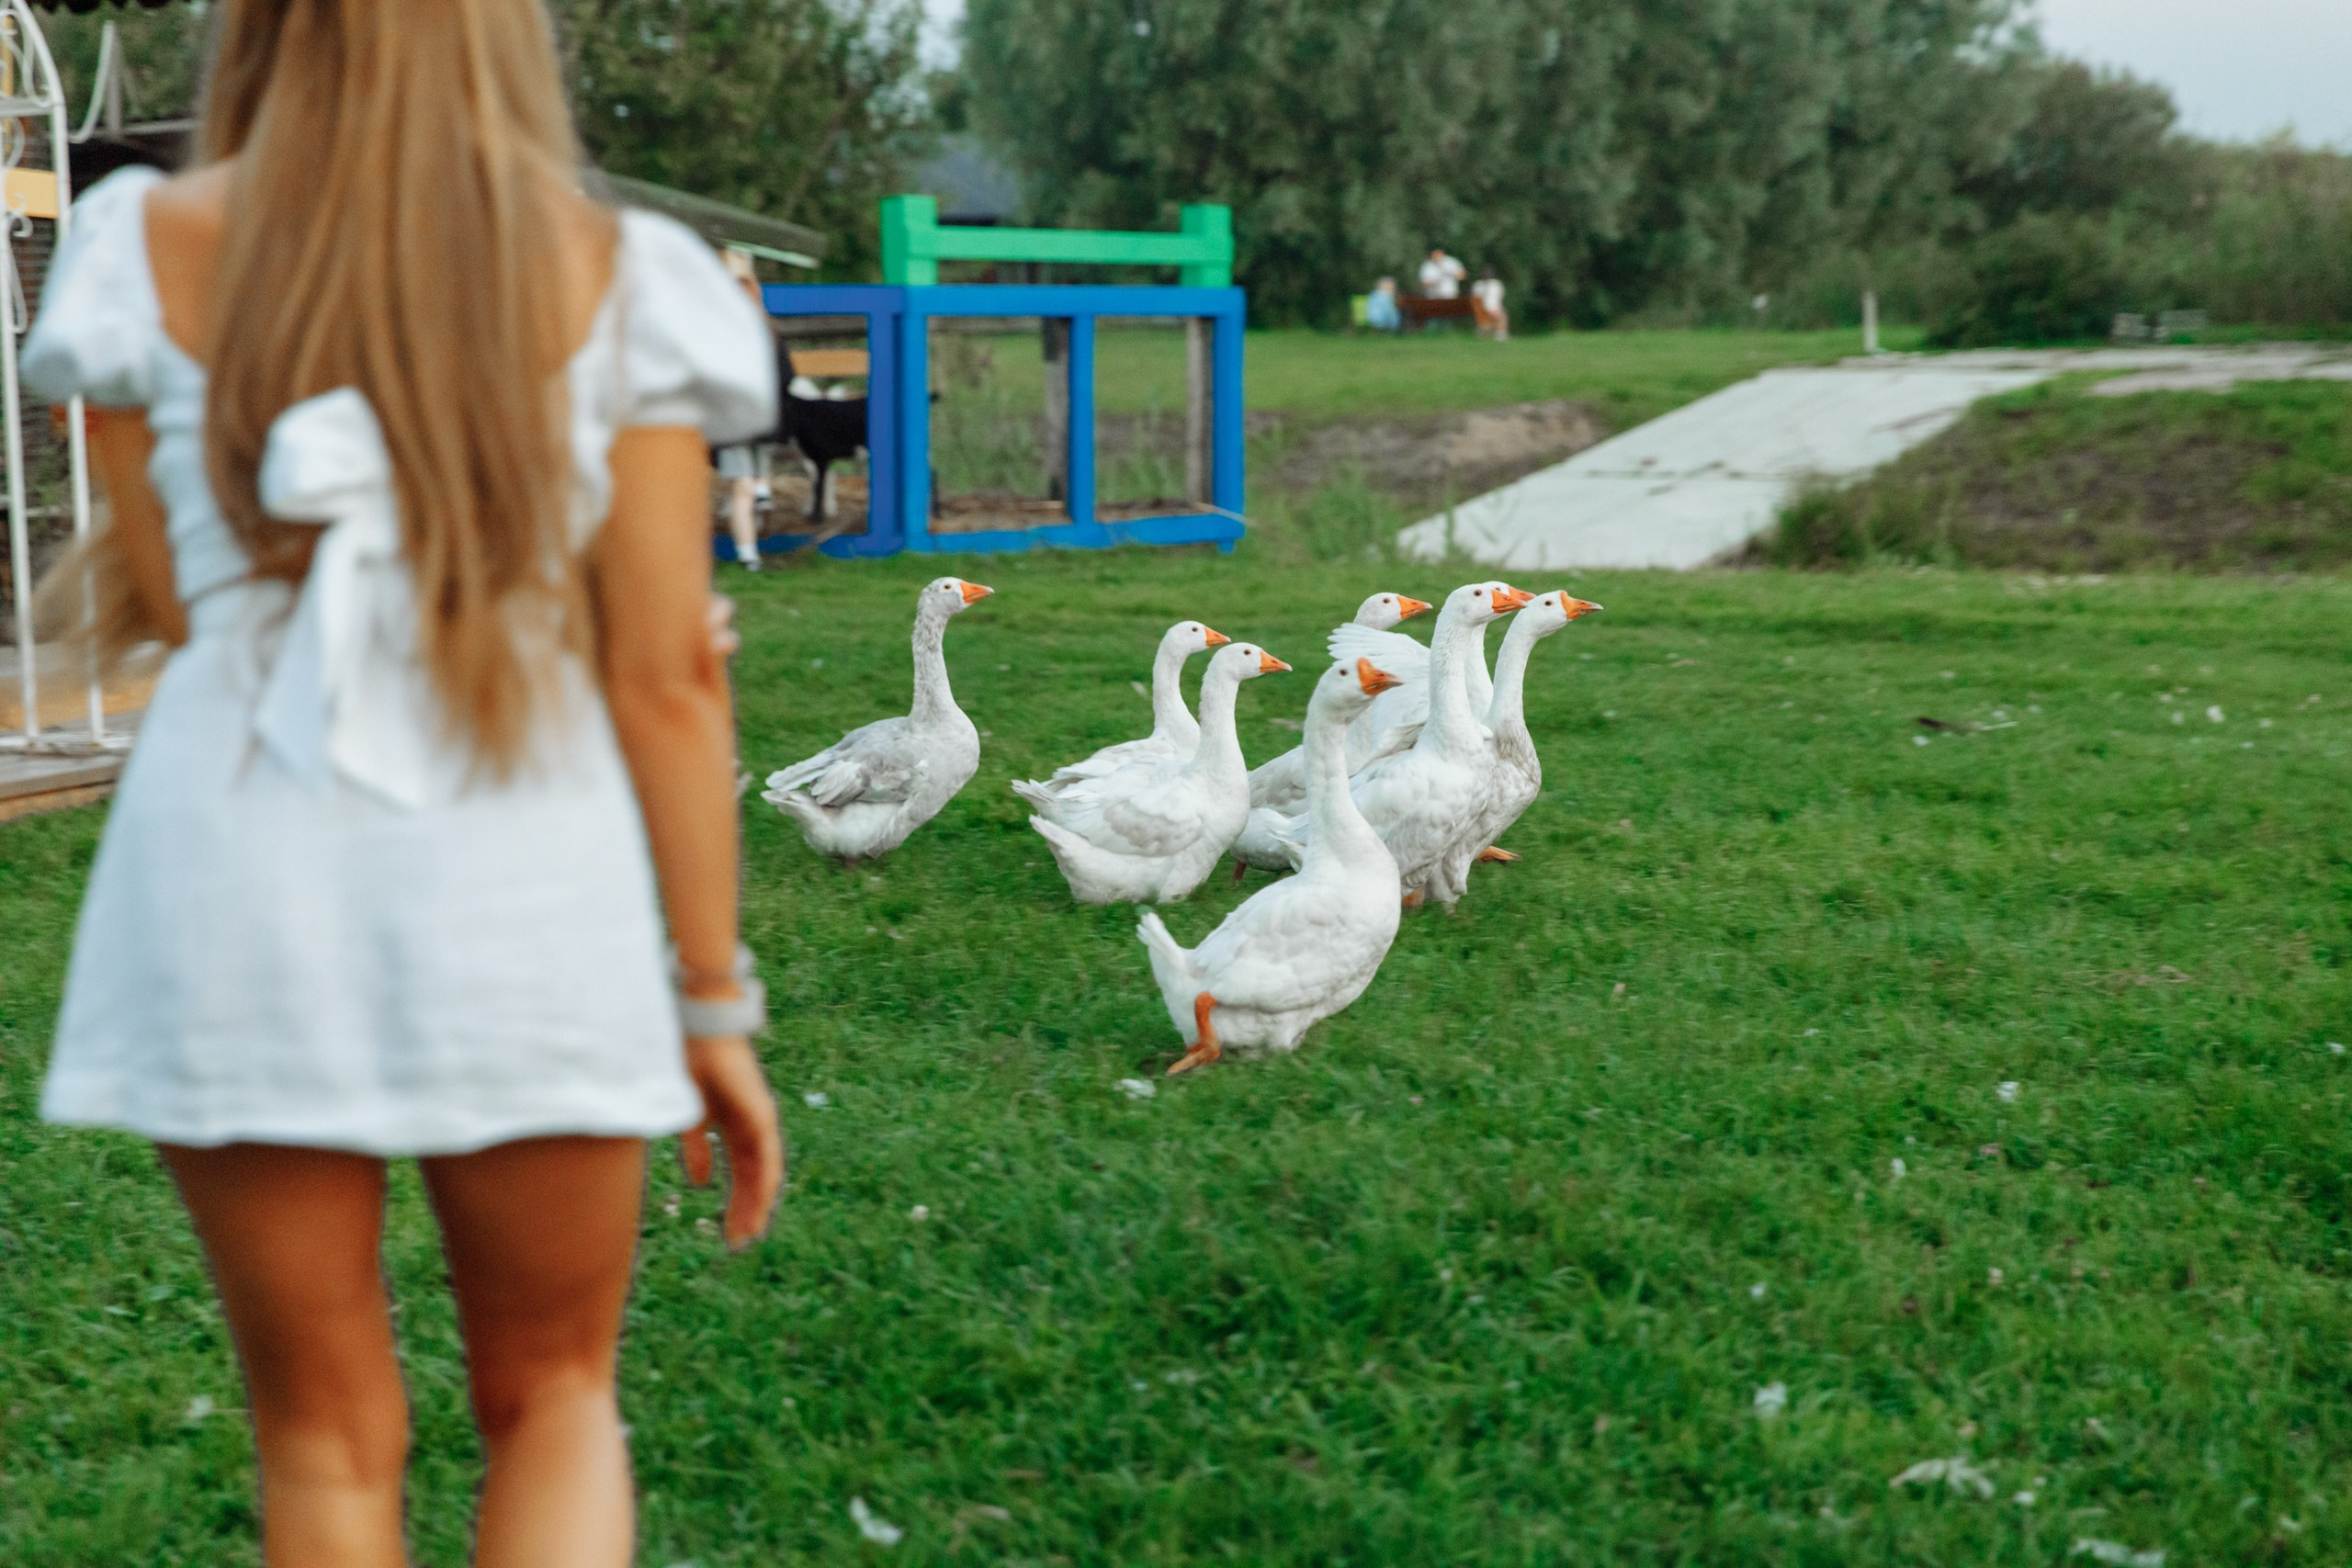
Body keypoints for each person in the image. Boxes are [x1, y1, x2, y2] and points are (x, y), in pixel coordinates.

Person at [21, 3, 785, 1563]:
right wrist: (711, 998)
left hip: (230, 879)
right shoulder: (624, 279)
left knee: (319, 1435)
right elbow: (660, 676)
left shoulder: (132, 246)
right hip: (526, 875)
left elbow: (172, 608)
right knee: (558, 1392)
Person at [715, 249, 770, 570]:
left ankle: (762, 491)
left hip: (759, 421)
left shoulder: (763, 332)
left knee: (752, 487)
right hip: (732, 420)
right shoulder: (717, 334)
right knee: (743, 487)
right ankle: (748, 553)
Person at [1472, 266, 1510, 341]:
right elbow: (1500, 298)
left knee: (1486, 327)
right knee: (1502, 318)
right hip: (1493, 308)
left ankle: (1484, 332)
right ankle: (1501, 336)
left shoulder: (1477, 285)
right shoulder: (1496, 284)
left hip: (1482, 309)